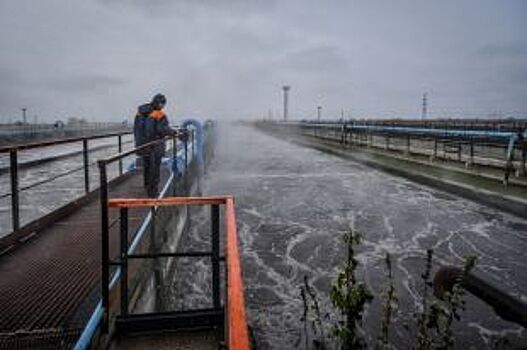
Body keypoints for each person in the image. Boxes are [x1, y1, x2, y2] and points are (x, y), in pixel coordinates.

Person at [134, 93, 182, 197]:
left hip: (142, 145)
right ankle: (153, 192)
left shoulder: (140, 113)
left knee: (147, 166)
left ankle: (147, 186)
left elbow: (136, 129)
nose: (163, 106)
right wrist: (174, 132)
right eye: (163, 104)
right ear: (160, 103)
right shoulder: (159, 114)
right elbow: (162, 129)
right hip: (154, 145)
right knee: (155, 168)